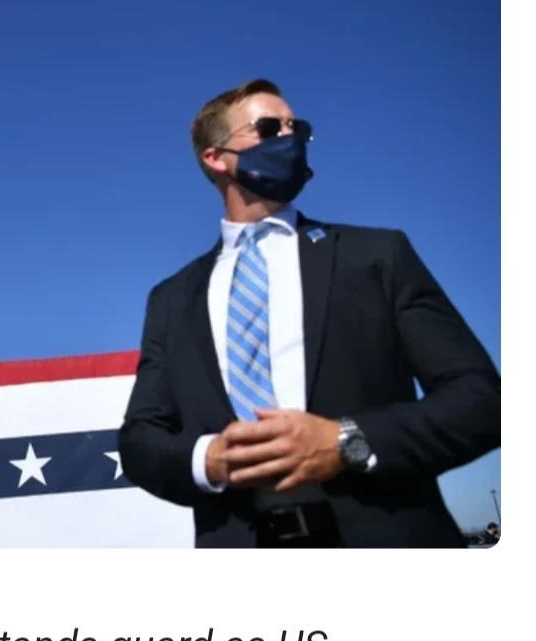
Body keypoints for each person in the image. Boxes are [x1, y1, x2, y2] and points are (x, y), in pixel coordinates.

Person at [119, 79, 500, 548]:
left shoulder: (379, 257)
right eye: (268, 128)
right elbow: (140, 439)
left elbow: (483, 400)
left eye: (297, 127)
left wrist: (348, 442)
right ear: (215, 157)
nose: (290, 137)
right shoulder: (171, 299)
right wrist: (210, 459)